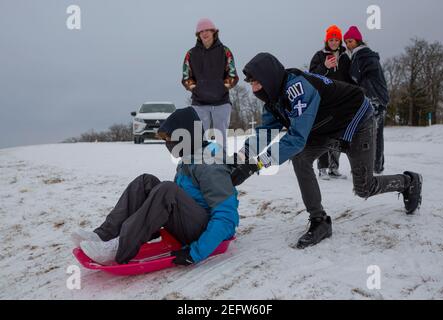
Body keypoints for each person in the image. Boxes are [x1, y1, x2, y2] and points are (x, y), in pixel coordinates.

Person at [231, 52, 422, 249]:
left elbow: (296, 138)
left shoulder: (298, 89)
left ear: (269, 78)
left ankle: (408, 182)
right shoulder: (273, 100)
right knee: (300, 158)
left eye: (256, 83)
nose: (254, 89)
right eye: (251, 84)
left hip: (356, 121)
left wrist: (255, 165)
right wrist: (238, 158)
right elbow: (265, 133)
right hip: (325, 128)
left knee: (365, 187)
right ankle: (319, 221)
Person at [72, 107, 239, 266]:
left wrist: (194, 253)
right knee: (145, 182)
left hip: (206, 233)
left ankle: (120, 248)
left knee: (168, 190)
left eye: (169, 138)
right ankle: (103, 236)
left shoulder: (210, 165)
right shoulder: (189, 159)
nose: (167, 144)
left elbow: (227, 218)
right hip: (189, 224)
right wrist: (150, 222)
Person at [181, 18, 239, 150]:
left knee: (220, 140)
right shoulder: (191, 54)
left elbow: (232, 75)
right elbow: (186, 77)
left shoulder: (225, 51)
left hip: (221, 103)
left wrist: (221, 87)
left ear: (214, 32)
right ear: (198, 35)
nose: (204, 33)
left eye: (207, 30)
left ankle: (222, 167)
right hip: (199, 104)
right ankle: (200, 167)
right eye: (201, 31)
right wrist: (196, 88)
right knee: (198, 139)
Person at [309, 25, 354, 180]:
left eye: (336, 39)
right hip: (324, 100)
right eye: (331, 39)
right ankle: (322, 168)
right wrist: (324, 67)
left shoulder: (345, 57)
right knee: (324, 134)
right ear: (326, 41)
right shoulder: (319, 56)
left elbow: (350, 79)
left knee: (337, 136)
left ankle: (334, 169)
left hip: (341, 100)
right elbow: (311, 76)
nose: (334, 42)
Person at [344, 26, 389, 174]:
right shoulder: (365, 55)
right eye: (346, 42)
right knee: (375, 133)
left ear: (357, 41)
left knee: (370, 133)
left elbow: (355, 76)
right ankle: (377, 165)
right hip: (377, 97)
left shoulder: (362, 55)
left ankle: (374, 166)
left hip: (373, 98)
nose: (348, 45)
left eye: (350, 41)